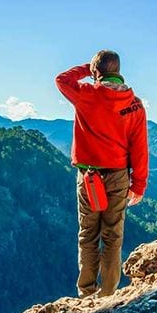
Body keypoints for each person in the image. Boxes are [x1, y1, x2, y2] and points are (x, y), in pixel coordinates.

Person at [55, 50, 149, 298]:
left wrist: (88, 69)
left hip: (89, 177)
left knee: (88, 234)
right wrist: (138, 185)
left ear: (97, 72)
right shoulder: (135, 105)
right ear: (118, 72)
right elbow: (139, 148)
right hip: (118, 177)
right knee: (113, 236)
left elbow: (62, 80)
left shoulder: (86, 95)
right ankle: (108, 294)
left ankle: (86, 292)